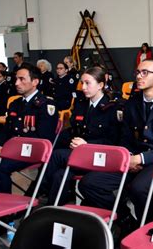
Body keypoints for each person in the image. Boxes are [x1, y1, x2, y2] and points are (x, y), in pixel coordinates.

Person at [78, 59, 153, 225]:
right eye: (137, 72)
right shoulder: (132, 103)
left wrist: (141, 159)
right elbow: (125, 138)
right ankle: (126, 219)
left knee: (138, 188)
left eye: (145, 72)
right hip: (131, 158)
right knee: (89, 183)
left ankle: (149, 224)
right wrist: (129, 156)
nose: (138, 76)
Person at [41, 66, 120, 205]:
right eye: (82, 83)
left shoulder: (111, 108)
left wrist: (87, 145)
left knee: (57, 156)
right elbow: (73, 131)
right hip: (79, 155)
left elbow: (113, 141)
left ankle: (36, 192)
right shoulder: (81, 104)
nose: (83, 87)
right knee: (59, 173)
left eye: (87, 83)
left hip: (99, 156)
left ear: (100, 85)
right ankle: (54, 211)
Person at [0, 63, 58, 193]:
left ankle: (4, 209)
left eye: (22, 79)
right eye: (16, 79)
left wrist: (7, 150)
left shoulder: (46, 105)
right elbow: (6, 131)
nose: (17, 83)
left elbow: (43, 139)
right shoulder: (15, 104)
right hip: (8, 150)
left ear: (35, 82)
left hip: (29, 152)